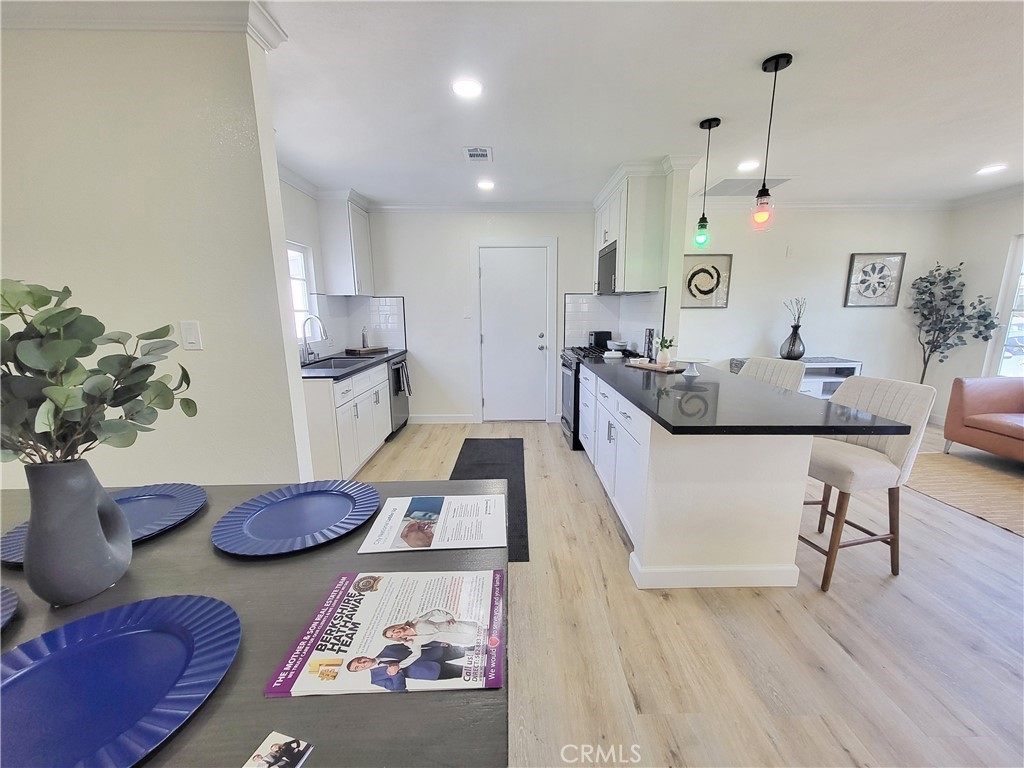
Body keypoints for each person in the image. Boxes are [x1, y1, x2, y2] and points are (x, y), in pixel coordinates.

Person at [383, 608, 479, 649]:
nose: (395, 633)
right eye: (392, 635)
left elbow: (434, 612)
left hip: (453, 627)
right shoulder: (410, 642)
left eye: (393, 630)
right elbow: (417, 654)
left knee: (480, 632)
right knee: (480, 642)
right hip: (452, 639)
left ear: (396, 627)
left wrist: (448, 616)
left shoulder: (416, 621)